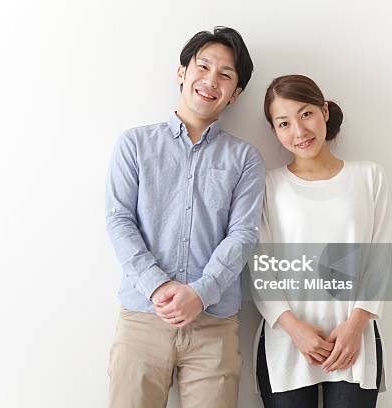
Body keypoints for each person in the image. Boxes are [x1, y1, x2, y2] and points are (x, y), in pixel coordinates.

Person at [105, 26, 265, 408]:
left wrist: (201, 292)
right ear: (182, 71)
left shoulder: (245, 159)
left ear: (236, 93)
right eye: (203, 66)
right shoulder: (134, 144)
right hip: (143, 317)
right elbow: (119, 220)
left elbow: (243, 234)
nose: (211, 81)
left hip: (214, 326)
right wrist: (158, 286)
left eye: (226, 75)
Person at [252, 74, 392, 408]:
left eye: (306, 114)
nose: (299, 131)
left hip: (353, 339)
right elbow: (259, 268)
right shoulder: (268, 186)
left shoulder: (369, 177)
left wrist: (356, 326)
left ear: (324, 112)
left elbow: (381, 259)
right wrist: (295, 329)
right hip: (286, 340)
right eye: (284, 123)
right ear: (275, 131)